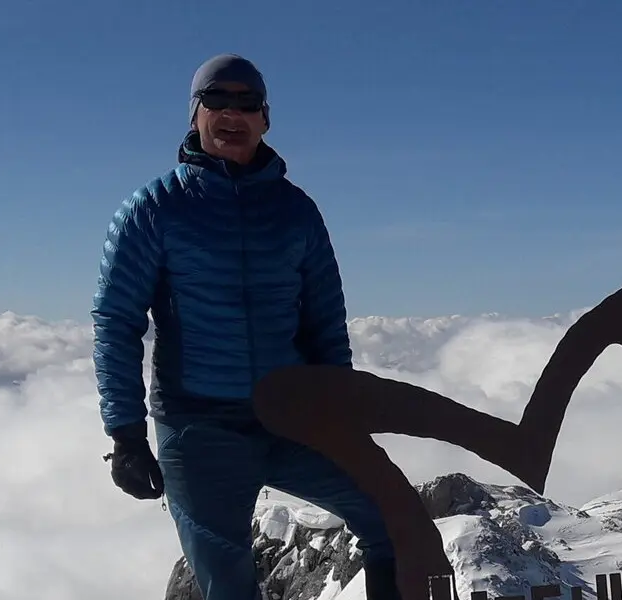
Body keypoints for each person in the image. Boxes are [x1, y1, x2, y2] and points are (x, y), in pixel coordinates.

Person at [92, 54, 400, 600]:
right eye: (217, 101)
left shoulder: (297, 212)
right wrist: (125, 434)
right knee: (229, 584)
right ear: (195, 115)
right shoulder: (153, 209)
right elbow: (116, 323)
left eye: (247, 103)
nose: (232, 114)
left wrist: (339, 407)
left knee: (392, 519)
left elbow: (325, 320)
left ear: (265, 119)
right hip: (198, 425)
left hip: (292, 416)